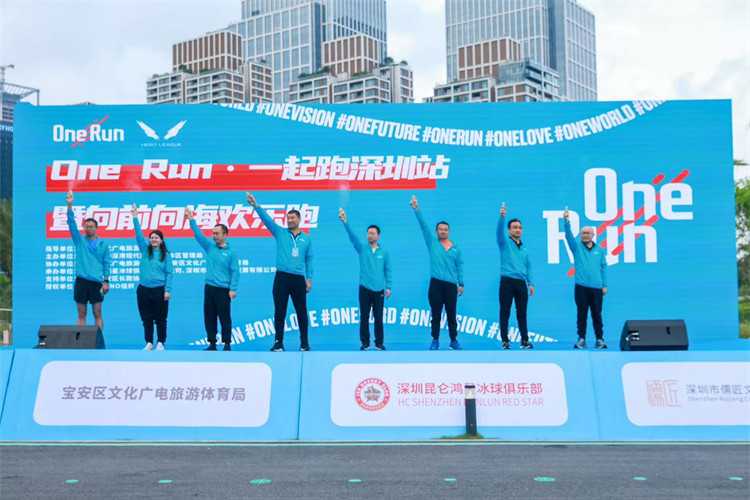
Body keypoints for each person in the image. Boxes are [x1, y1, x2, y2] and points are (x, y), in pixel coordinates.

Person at [246, 192, 313, 352]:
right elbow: (267, 220)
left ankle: (304, 343)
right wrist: (256, 205)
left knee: (301, 312)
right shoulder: (280, 232)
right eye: (288, 218)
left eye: (292, 218)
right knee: (279, 311)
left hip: (298, 279)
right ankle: (278, 343)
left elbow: (309, 259)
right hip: (281, 277)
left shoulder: (306, 239)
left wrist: (309, 279)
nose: (289, 220)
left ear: (299, 220)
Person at [410, 195, 464, 350]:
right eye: (440, 229)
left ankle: (453, 340)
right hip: (436, 284)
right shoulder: (432, 243)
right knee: (436, 314)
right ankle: (435, 339)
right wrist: (417, 209)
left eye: (445, 229)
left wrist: (461, 283)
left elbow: (460, 266)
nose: (443, 231)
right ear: (436, 231)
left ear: (449, 231)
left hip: (451, 285)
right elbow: (423, 227)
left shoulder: (455, 248)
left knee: (452, 314)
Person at [185, 207, 239, 351]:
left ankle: (227, 343)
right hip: (209, 288)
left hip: (223, 289)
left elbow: (235, 272)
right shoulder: (210, 247)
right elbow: (199, 236)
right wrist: (191, 220)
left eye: (217, 233)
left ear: (225, 234)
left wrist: (233, 289)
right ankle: (212, 343)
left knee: (224, 317)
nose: (214, 236)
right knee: (209, 316)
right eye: (213, 233)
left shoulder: (232, 252)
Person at [339, 208, 392, 350]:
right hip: (364, 289)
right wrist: (345, 222)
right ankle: (365, 343)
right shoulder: (362, 248)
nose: (370, 235)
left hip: (379, 290)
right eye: (368, 233)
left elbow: (388, 270)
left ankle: (379, 343)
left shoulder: (384, 252)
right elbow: (352, 237)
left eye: (372, 233)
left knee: (379, 318)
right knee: (364, 317)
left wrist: (388, 287)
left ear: (378, 236)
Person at [563, 207, 608, 349]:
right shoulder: (576, 247)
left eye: (588, 233)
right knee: (581, 314)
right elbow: (568, 237)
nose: (585, 235)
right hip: (581, 287)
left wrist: (604, 285)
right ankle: (581, 339)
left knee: (597, 314)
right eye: (583, 233)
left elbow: (603, 268)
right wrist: (566, 221)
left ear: (593, 235)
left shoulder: (599, 250)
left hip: (597, 288)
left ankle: (599, 339)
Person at [66, 190, 110, 331]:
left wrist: (106, 281)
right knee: (81, 313)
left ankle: (98, 339)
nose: (88, 228)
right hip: (81, 281)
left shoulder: (103, 244)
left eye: (91, 226)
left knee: (97, 312)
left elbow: (106, 263)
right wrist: (70, 205)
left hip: (97, 282)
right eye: (86, 226)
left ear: (96, 228)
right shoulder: (79, 240)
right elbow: (71, 223)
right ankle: (81, 340)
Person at [132, 204, 173, 351]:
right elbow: (138, 235)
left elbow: (169, 273)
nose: (153, 239)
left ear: (161, 240)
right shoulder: (145, 250)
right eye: (151, 237)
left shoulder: (166, 255)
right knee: (146, 318)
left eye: (156, 237)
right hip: (143, 290)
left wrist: (167, 290)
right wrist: (135, 217)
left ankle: (161, 342)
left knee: (161, 318)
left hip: (159, 290)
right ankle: (149, 342)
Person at [497, 203, 534, 349]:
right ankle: (505, 340)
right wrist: (502, 218)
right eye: (515, 227)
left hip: (521, 283)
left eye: (520, 227)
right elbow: (498, 232)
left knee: (522, 312)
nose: (518, 229)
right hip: (507, 281)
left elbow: (528, 266)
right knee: (505, 311)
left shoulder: (524, 248)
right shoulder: (504, 242)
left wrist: (530, 283)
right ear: (509, 230)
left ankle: (525, 340)